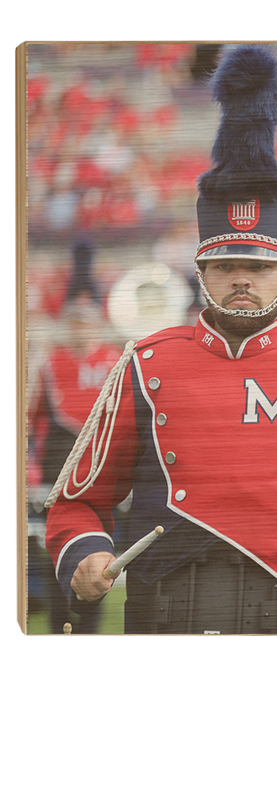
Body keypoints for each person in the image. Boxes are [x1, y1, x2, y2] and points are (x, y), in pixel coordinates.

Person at [44, 45, 277, 635]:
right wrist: (83, 557)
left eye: (259, 268)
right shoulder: (145, 363)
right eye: (225, 264)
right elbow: (78, 500)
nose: (241, 278)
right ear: (201, 271)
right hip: (163, 621)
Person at [28, 239, 124, 633]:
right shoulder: (49, 363)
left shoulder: (117, 359)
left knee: (98, 561)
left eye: (86, 318)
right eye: (74, 318)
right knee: (57, 559)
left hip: (103, 477)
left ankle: (88, 632)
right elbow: (30, 423)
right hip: (56, 475)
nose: (79, 326)